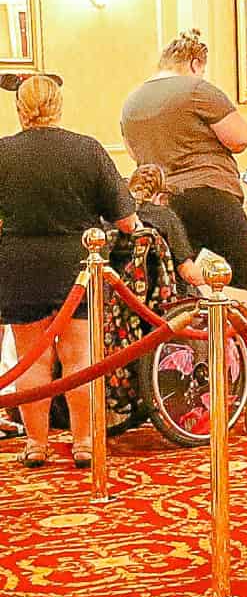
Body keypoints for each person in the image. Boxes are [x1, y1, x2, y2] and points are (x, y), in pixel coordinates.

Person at [0, 73, 139, 468]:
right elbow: (127, 219)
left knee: (32, 360)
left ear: (19, 109)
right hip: (76, 263)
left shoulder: (2, 153)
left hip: (19, 264)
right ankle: (83, 442)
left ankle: (36, 444)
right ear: (58, 106)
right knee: (79, 359)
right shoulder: (87, 150)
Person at [120, 30, 247, 301]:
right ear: (195, 63)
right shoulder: (196, 90)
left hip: (162, 209)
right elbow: (240, 138)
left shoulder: (131, 102)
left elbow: (131, 150)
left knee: (187, 294)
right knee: (244, 286)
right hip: (211, 200)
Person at [126, 165, 201, 290]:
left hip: (118, 299)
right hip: (162, 301)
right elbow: (189, 273)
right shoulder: (165, 217)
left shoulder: (116, 217)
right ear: (160, 195)